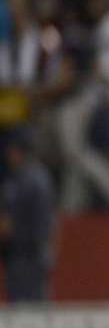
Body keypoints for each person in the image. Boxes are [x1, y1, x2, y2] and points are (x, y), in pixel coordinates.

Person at [0, 129, 55, 302]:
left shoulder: (35, 180)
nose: (8, 155)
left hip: (30, 255)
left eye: (12, 150)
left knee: (33, 306)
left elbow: (44, 221)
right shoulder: (14, 178)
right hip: (16, 255)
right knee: (18, 303)